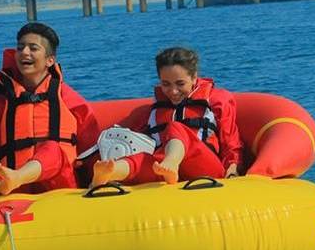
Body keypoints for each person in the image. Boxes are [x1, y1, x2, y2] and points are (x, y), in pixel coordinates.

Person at [0, 22, 100, 197]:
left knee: (53, 149)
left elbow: (91, 150)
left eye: (33, 48)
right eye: (20, 48)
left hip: (60, 184)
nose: (24, 52)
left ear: (50, 60)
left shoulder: (71, 100)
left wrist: (95, 182)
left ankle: (16, 177)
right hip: (12, 183)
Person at [91, 46, 241, 186]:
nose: (173, 91)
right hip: (162, 168)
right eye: (166, 84)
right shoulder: (153, 110)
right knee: (144, 159)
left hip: (205, 167)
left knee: (175, 127)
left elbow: (231, 141)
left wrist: (232, 167)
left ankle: (171, 163)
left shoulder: (218, 100)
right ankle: (108, 174)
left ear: (194, 77)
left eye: (180, 83)